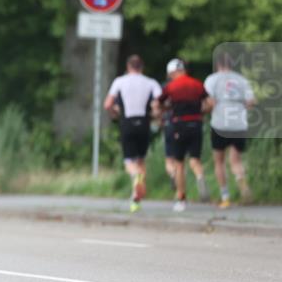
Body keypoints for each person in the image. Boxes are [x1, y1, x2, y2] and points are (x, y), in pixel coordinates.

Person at [103, 55, 162, 212]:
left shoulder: (120, 81)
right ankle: (135, 198)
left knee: (129, 160)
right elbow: (159, 102)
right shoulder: (150, 82)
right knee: (141, 159)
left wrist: (114, 113)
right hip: (144, 123)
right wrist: (156, 114)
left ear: (128, 66)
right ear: (142, 67)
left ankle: (136, 178)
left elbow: (107, 104)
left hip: (127, 122)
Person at [204, 52, 256, 207]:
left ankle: (225, 197)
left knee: (219, 161)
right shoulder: (241, 80)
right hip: (239, 124)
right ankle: (241, 181)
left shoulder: (212, 80)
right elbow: (251, 102)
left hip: (220, 124)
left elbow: (210, 102)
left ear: (218, 64)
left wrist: (206, 110)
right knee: (235, 160)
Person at [159, 58, 210, 212]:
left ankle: (181, 198)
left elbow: (159, 103)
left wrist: (166, 109)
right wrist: (201, 113)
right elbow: (210, 103)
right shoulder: (198, 84)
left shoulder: (171, 87)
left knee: (179, 164)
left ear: (174, 72)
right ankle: (200, 176)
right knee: (195, 160)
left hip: (179, 125)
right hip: (196, 124)